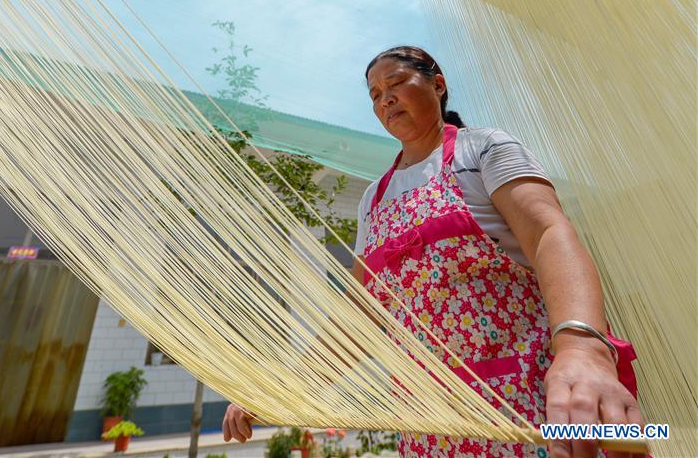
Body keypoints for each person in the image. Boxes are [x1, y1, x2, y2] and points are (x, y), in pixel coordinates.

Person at [222, 46, 643, 458]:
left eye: (395, 83)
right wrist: (286, 387)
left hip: (526, 404)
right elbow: (362, 314)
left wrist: (582, 349)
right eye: (374, 94)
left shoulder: (481, 149)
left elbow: (549, 233)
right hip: (431, 425)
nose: (384, 98)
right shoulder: (375, 198)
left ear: (437, 85)